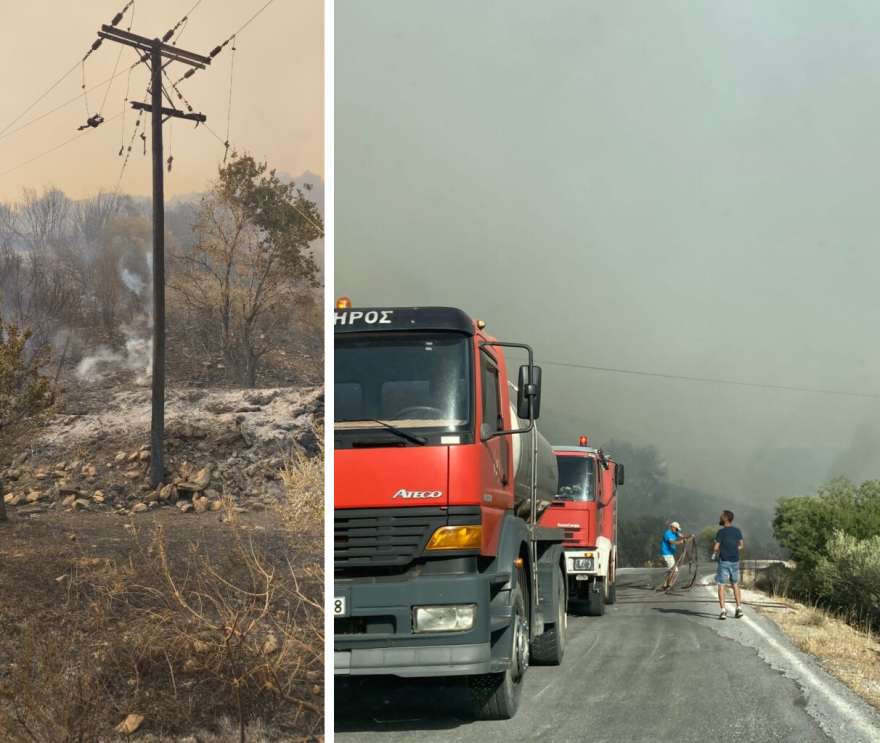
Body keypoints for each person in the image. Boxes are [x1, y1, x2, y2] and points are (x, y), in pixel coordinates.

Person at [713, 510, 744, 619]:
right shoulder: (737, 531)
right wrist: (733, 549)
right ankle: (739, 608)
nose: (720, 518)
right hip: (735, 561)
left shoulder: (721, 532)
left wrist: (719, 546)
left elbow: (715, 547)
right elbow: (741, 545)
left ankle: (723, 611)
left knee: (721, 585)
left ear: (725, 518)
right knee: (735, 584)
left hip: (724, 561)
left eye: (721, 516)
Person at [659, 521, 690, 591]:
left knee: (671, 570)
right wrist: (681, 542)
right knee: (674, 570)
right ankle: (668, 585)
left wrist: (690, 536)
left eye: (677, 529)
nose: (677, 530)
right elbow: (672, 542)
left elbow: (682, 536)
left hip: (670, 554)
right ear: (672, 527)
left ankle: (666, 585)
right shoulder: (668, 533)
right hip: (667, 554)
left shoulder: (675, 533)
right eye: (676, 529)